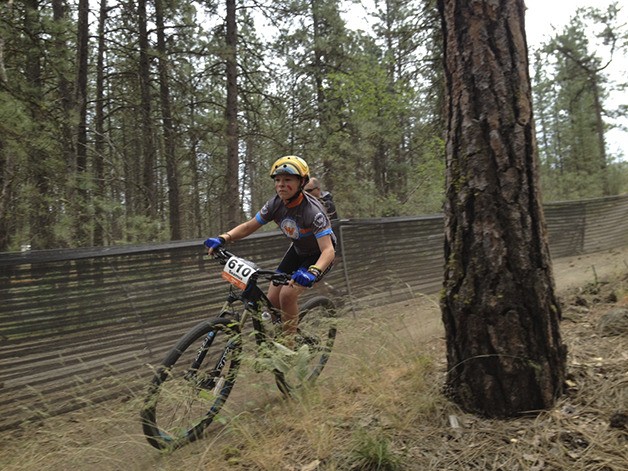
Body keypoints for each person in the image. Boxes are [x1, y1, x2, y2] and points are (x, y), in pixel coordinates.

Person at [204, 155, 336, 346]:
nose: (281, 185)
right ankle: (286, 330)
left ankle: (288, 346)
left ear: (302, 182)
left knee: (287, 295)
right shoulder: (275, 204)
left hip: (319, 256)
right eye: (278, 180)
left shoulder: (312, 212)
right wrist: (225, 237)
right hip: (298, 250)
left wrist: (313, 272)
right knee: (272, 300)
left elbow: (328, 250)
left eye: (288, 180)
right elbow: (249, 226)